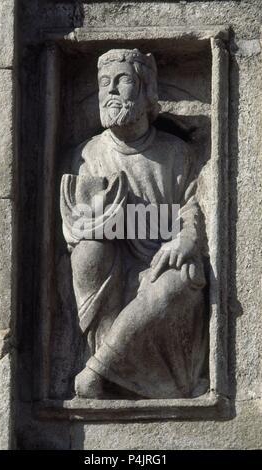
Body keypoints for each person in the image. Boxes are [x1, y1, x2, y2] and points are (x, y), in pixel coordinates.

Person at [60, 49, 208, 399]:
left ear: (146, 91)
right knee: (88, 250)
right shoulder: (86, 155)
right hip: (112, 270)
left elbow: (193, 208)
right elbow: (76, 222)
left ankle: (97, 369)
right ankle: (105, 363)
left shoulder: (176, 153)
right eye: (104, 83)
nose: (111, 91)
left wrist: (185, 237)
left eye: (123, 81)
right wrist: (104, 222)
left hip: (161, 265)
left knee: (178, 279)